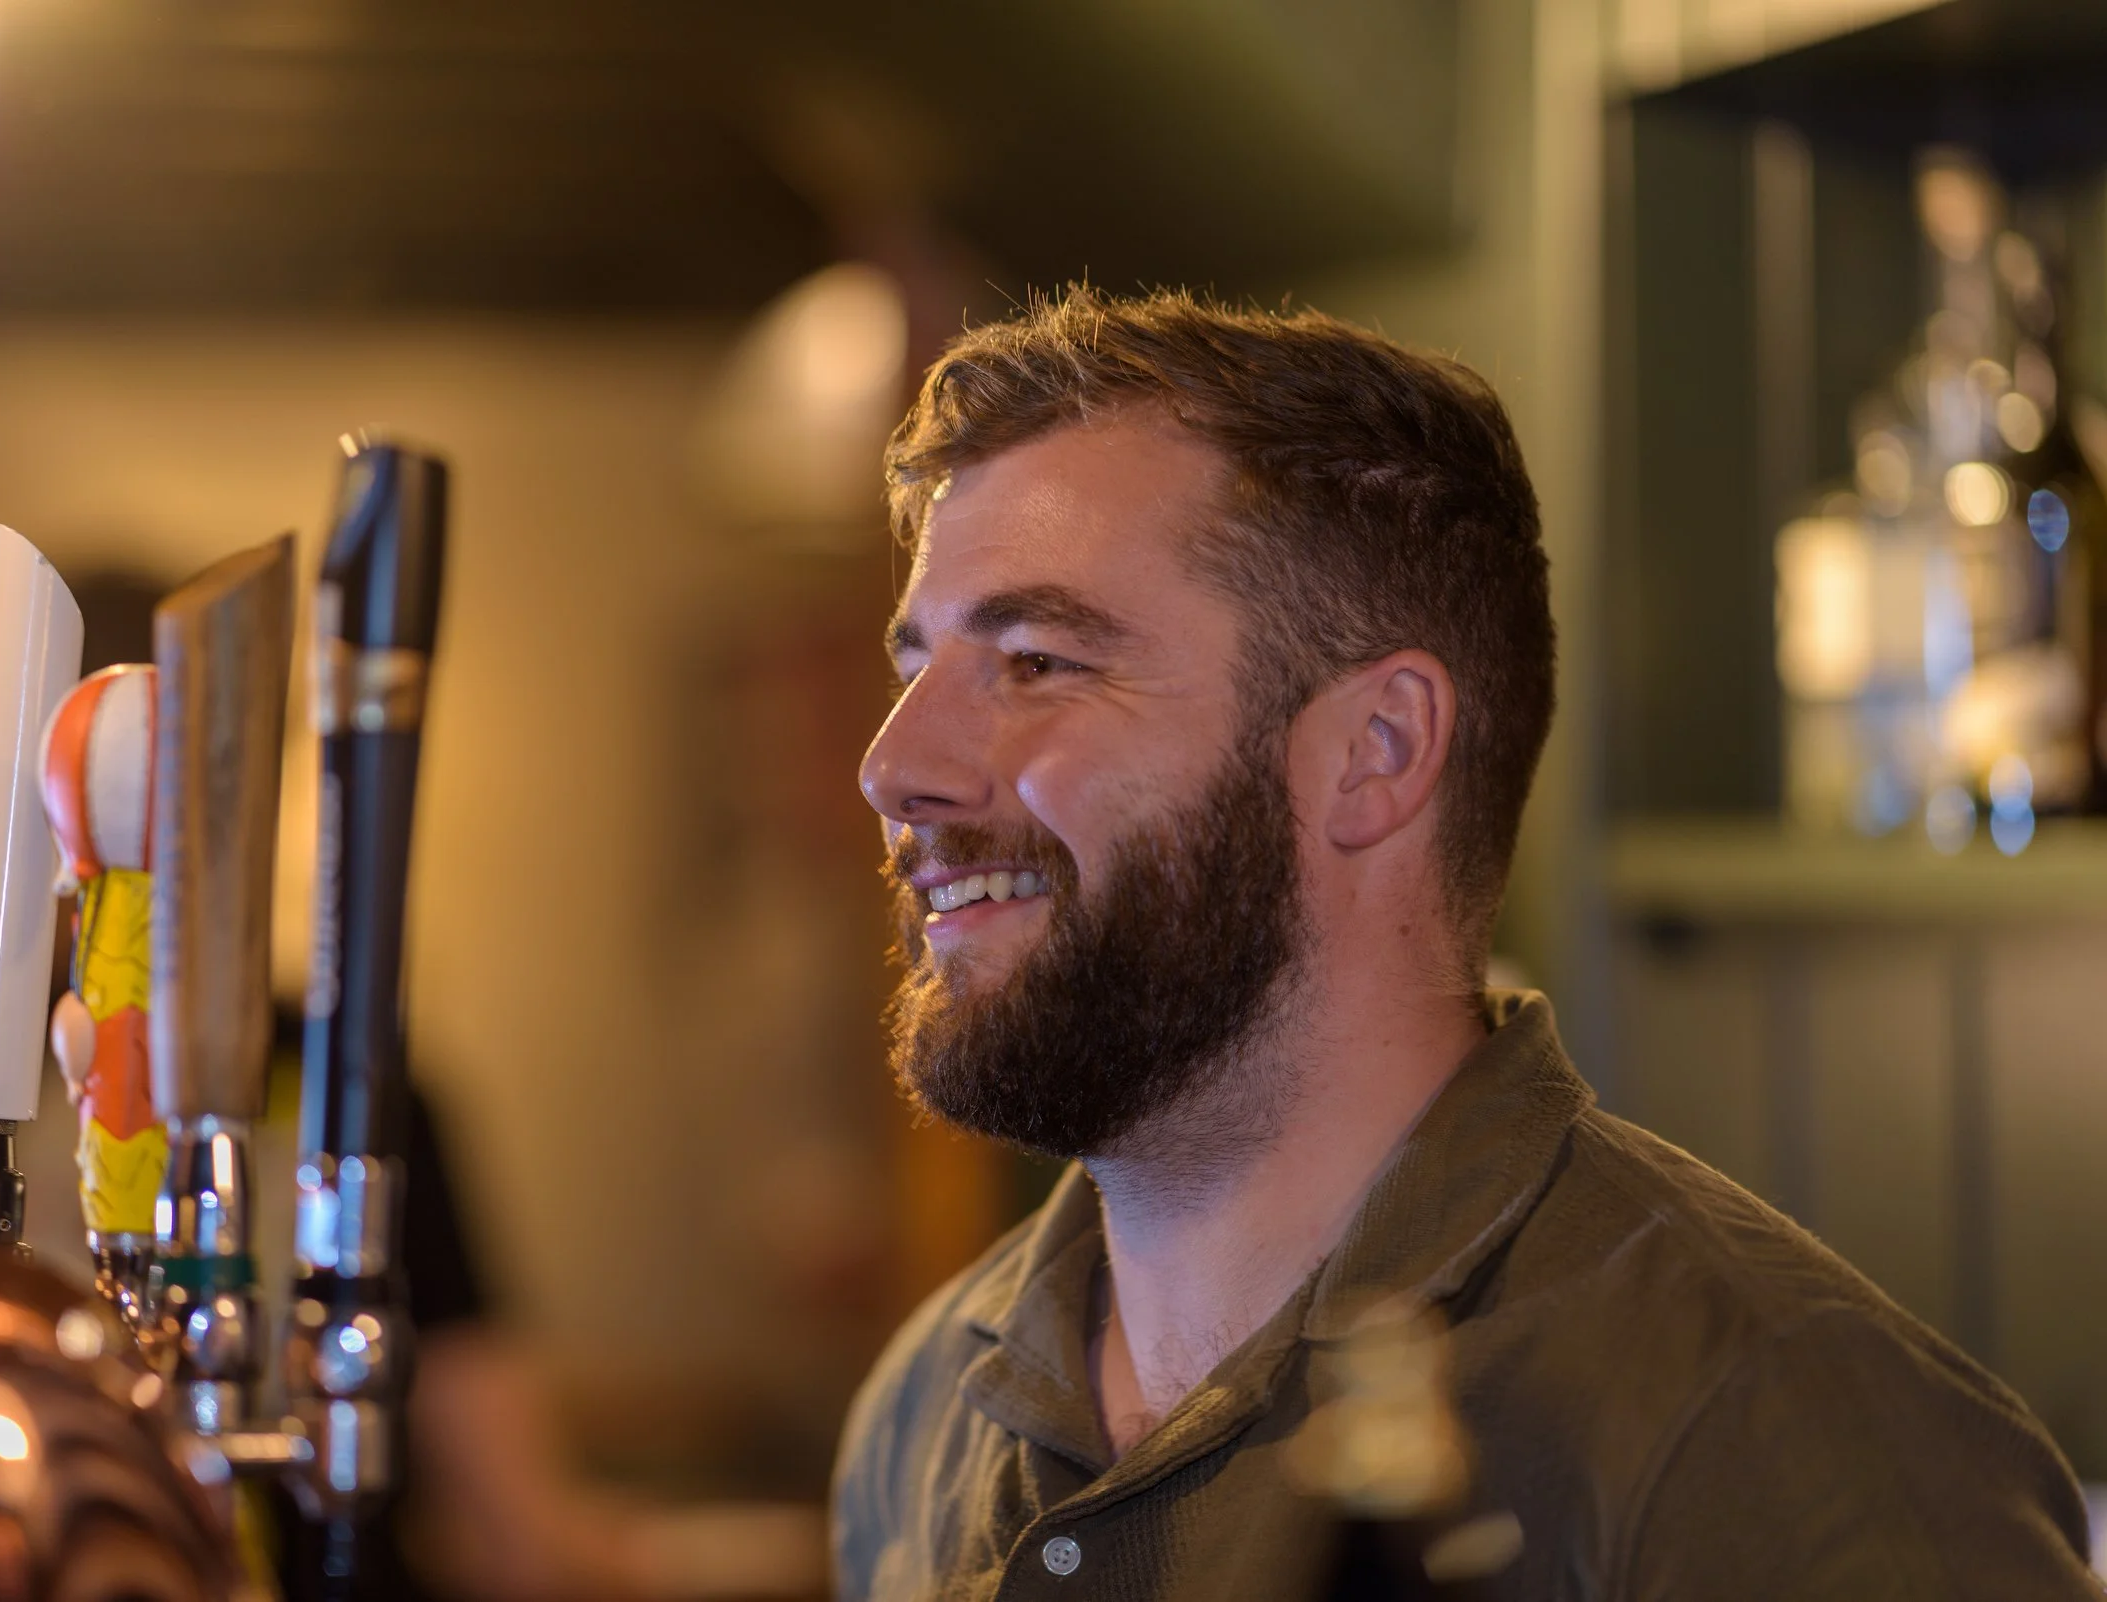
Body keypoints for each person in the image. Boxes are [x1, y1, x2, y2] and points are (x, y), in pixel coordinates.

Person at [832, 288, 2095, 1600]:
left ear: (1374, 753)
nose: (892, 764)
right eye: (914, 666)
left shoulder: (1781, 1449)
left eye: (1036, 661)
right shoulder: (921, 1416)